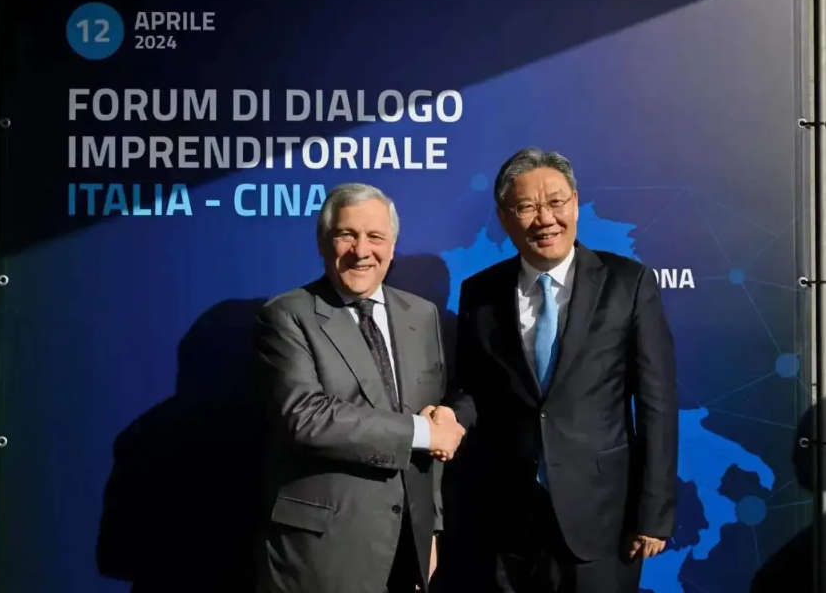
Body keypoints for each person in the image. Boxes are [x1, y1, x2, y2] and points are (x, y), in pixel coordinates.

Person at [436, 148, 678, 593]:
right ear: (504, 218)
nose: (545, 219)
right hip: (506, 519)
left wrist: (653, 513)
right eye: (526, 207)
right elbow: (473, 389)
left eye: (556, 202)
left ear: (576, 204)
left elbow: (656, 403)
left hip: (602, 518)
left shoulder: (629, 283)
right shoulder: (481, 292)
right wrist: (451, 415)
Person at [253, 182, 466, 593]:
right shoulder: (286, 316)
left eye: (375, 236)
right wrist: (424, 432)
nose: (361, 250)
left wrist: (430, 528)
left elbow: (434, 413)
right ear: (323, 242)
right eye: (347, 234)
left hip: (408, 551)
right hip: (322, 555)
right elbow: (305, 418)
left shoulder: (422, 315)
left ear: (393, 246)